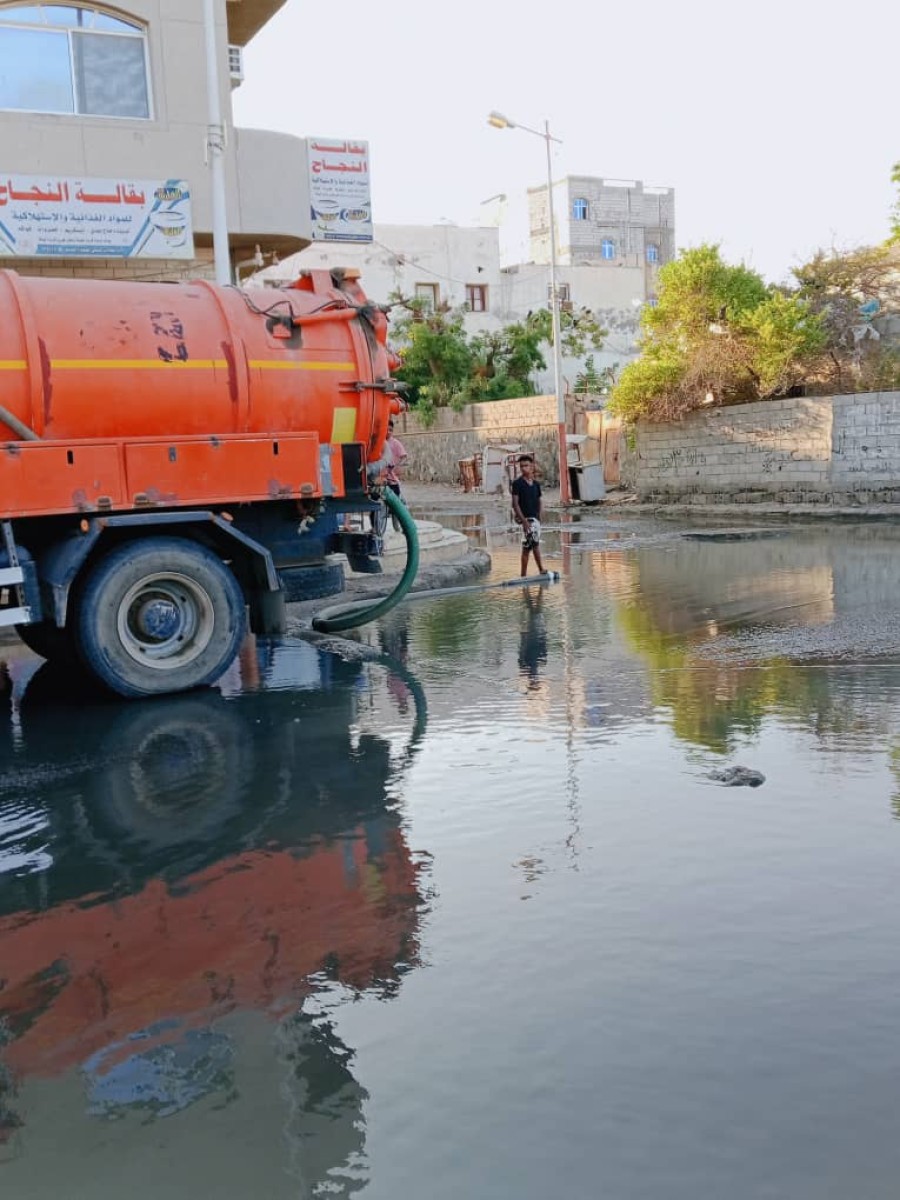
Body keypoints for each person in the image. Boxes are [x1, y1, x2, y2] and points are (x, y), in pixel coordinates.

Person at [510, 454, 545, 577]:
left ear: (532, 467)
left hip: (535, 519)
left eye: (526, 465)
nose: (524, 468)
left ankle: (525, 575)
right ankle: (538, 571)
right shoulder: (517, 483)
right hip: (526, 520)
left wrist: (540, 516)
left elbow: (540, 500)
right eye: (522, 466)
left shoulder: (536, 484)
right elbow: (515, 504)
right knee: (532, 545)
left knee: (530, 545)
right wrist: (524, 521)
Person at [384, 419, 408, 531]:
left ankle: (397, 526)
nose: (388, 432)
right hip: (381, 478)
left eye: (390, 430)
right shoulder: (379, 443)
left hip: (392, 479)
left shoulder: (395, 443)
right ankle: (376, 527)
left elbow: (403, 456)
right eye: (386, 429)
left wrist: (397, 466)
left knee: (395, 505)